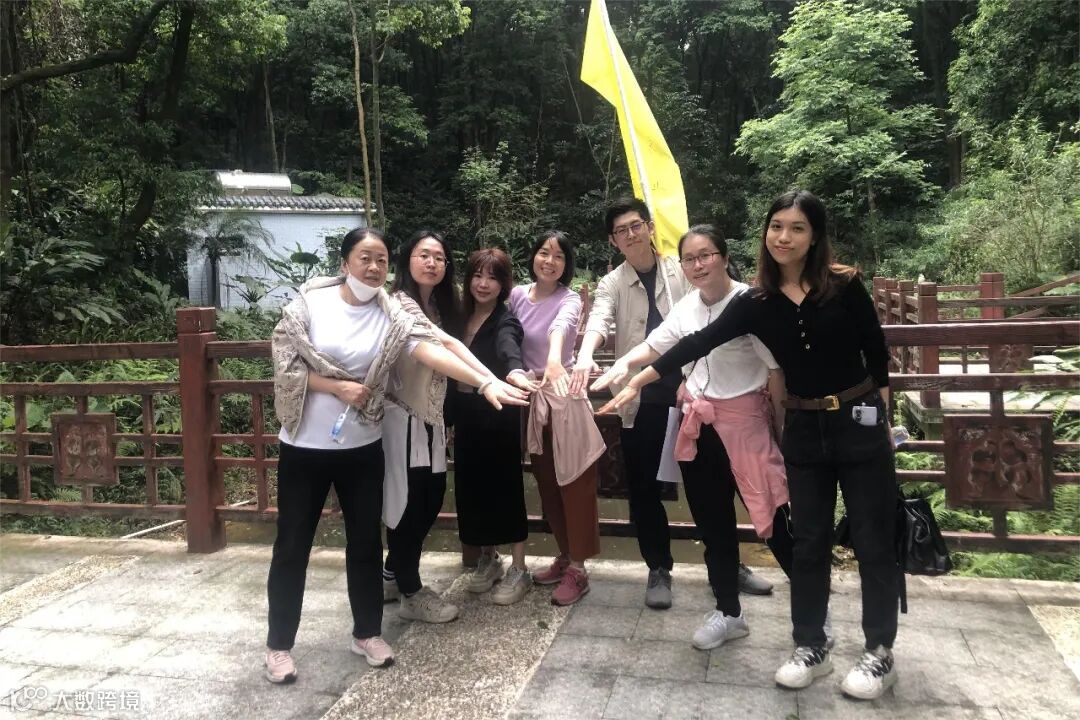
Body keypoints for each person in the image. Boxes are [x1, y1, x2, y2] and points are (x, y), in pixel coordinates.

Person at [596, 191, 900, 700]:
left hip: (855, 420)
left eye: (797, 228)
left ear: (815, 236)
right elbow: (694, 343)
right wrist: (634, 379)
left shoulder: (844, 285)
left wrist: (883, 423)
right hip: (802, 428)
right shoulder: (758, 302)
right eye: (776, 226)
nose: (784, 237)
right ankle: (810, 644)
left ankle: (879, 652)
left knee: (872, 539)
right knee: (808, 539)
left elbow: (876, 353)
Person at [266, 228, 526, 684]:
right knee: (292, 545)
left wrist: (487, 381)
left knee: (366, 544)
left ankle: (367, 633)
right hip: (305, 445)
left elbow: (436, 346)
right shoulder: (310, 304)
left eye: (381, 260)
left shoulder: (392, 311)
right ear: (345, 262)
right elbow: (287, 366)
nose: (373, 267)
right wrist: (335, 386)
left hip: (362, 445)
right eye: (365, 258)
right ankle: (279, 645)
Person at [593, 224, 796, 651]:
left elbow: (777, 371)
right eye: (689, 258)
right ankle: (728, 611)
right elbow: (656, 346)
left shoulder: (750, 303)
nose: (698, 265)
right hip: (699, 426)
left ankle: (814, 606)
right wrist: (622, 366)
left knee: (773, 516)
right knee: (712, 520)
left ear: (724, 257)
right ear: (682, 266)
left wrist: (782, 431)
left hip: (746, 426)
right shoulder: (686, 307)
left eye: (706, 255)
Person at [381, 230, 519, 624]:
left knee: (429, 499)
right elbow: (431, 351)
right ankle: (410, 592)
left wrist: (489, 380)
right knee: (410, 503)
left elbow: (454, 344)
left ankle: (392, 574)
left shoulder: (439, 308)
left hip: (432, 420)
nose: (432, 263)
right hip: (403, 419)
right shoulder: (399, 304)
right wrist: (486, 382)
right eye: (423, 255)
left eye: (439, 257)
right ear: (407, 259)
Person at [510, 230, 606, 606]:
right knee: (547, 483)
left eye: (559, 256)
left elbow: (561, 327)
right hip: (532, 399)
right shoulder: (516, 295)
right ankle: (565, 555)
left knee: (575, 483)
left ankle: (579, 569)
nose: (549, 261)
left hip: (565, 398)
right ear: (532, 256)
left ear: (567, 264)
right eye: (543, 253)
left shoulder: (569, 299)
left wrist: (553, 360)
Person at [453, 248, 538, 605]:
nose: (483, 284)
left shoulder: (506, 320)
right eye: (477, 275)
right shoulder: (459, 318)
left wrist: (515, 370)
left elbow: (508, 348)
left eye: (492, 277)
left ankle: (520, 567)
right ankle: (489, 558)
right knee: (471, 488)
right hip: (466, 415)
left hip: (498, 412)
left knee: (506, 487)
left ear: (504, 284)